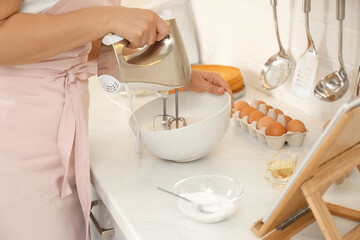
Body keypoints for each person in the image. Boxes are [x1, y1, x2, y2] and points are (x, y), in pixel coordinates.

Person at [0, 0, 233, 239]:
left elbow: (72, 46)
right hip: (17, 147)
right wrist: (109, 18)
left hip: (62, 145)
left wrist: (176, 72)